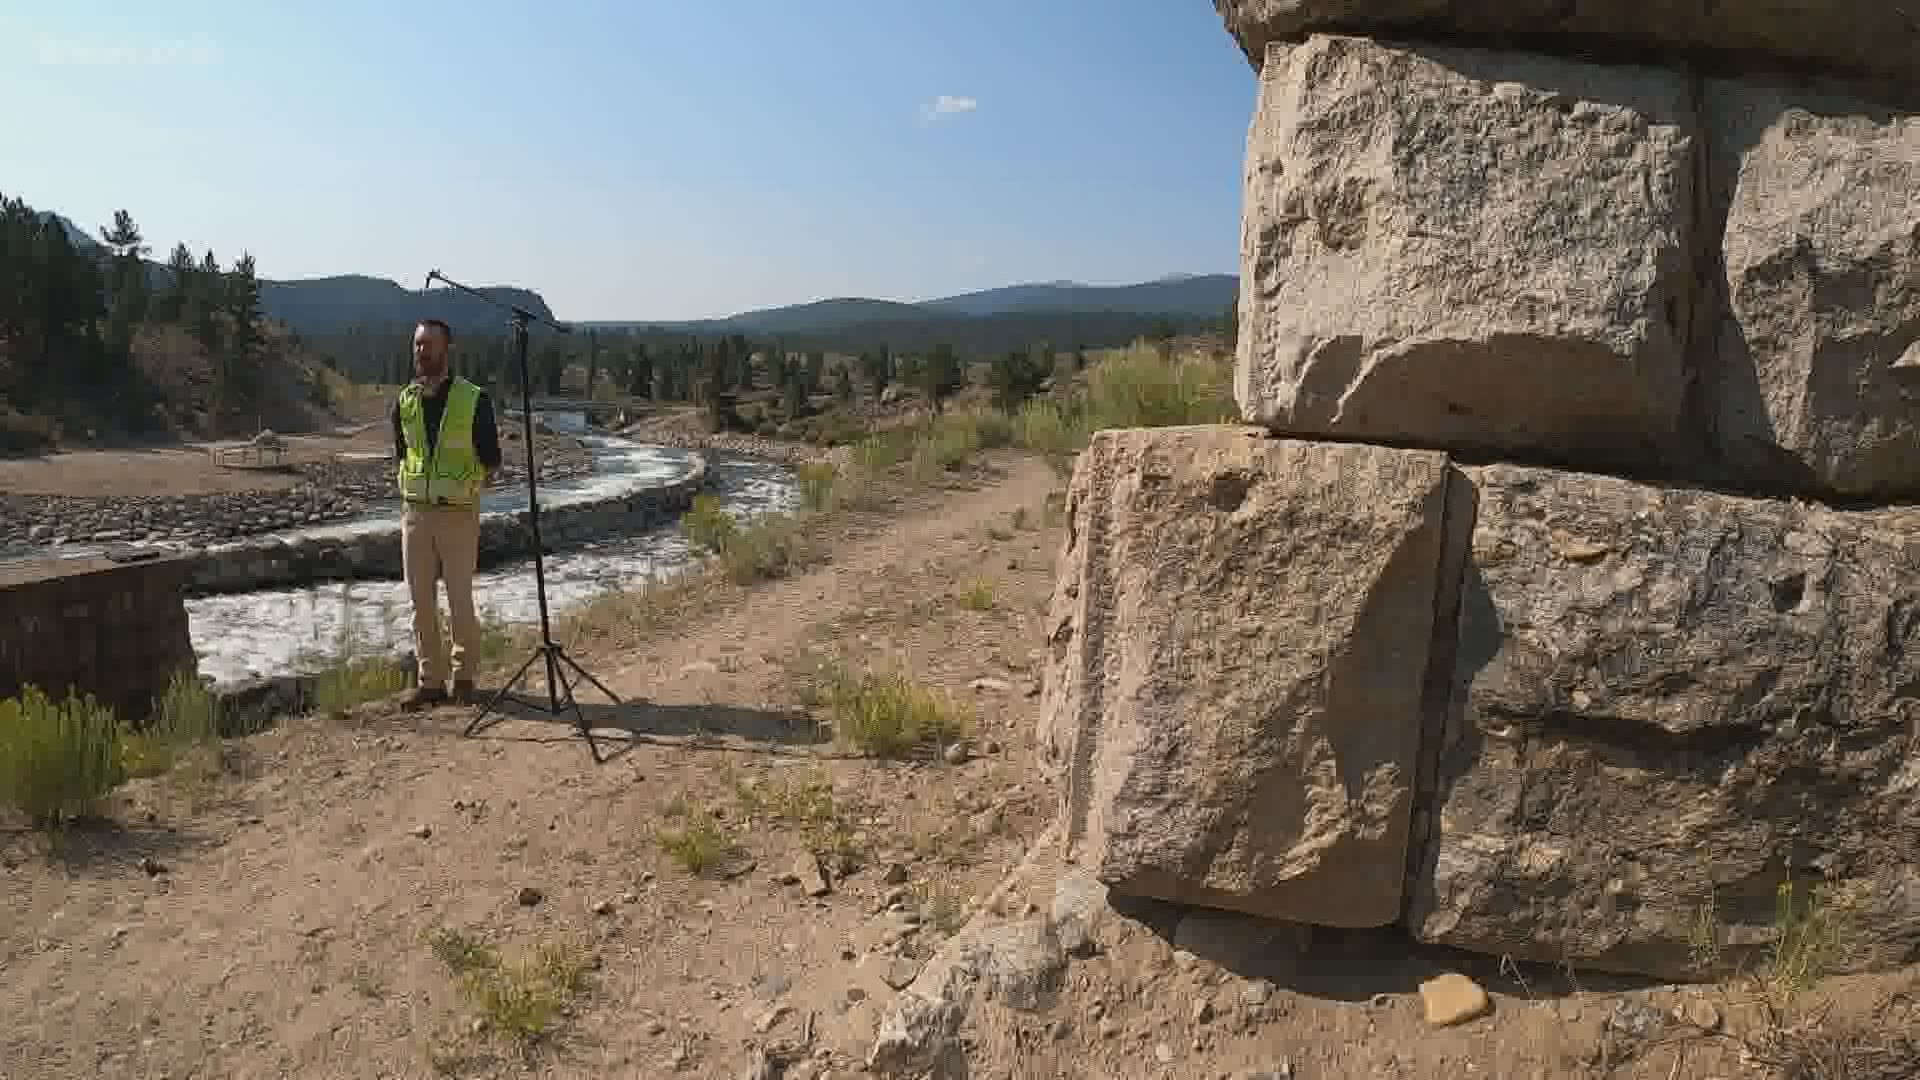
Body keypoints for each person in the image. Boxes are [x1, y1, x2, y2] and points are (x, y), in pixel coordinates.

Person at [391, 317, 502, 707]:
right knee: (420, 601)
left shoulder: (474, 399)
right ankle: (430, 681)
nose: (422, 351)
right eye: (418, 344)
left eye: (430, 345)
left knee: (459, 599)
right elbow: (404, 455)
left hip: (458, 514)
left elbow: (491, 460)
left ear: (446, 349)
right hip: (416, 515)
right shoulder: (404, 402)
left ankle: (465, 678)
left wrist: (464, 491)